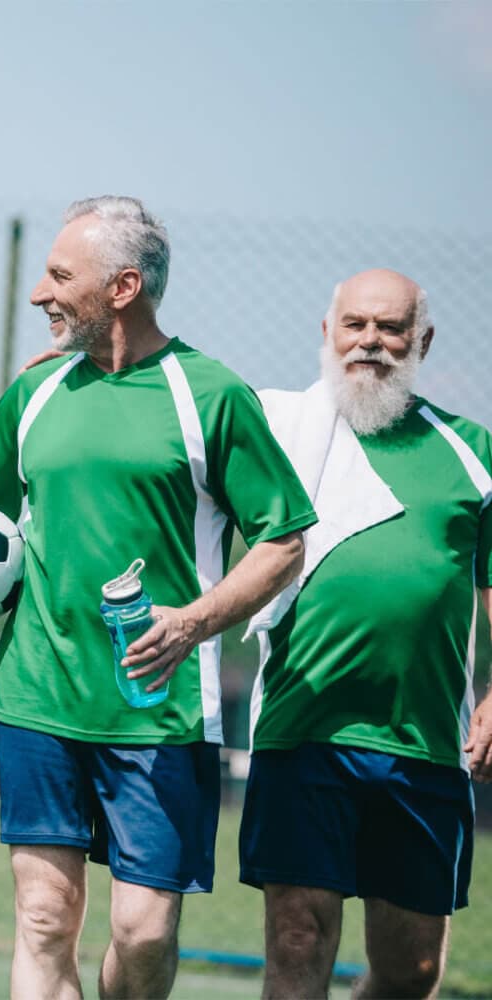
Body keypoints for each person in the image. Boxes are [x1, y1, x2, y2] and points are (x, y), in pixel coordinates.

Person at [0, 196, 317, 1000]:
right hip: (37, 695)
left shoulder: (210, 395)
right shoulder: (35, 392)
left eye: (58, 276)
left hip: (161, 709)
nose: (42, 294)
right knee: (44, 918)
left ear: (122, 286)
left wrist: (192, 622)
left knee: (142, 935)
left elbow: (284, 540)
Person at [240, 268, 492, 999]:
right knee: (297, 941)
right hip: (301, 731)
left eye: (390, 328)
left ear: (422, 340)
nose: (370, 343)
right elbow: (175, 412)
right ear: (328, 332)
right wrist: (89, 369)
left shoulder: (473, 452)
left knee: (411, 972)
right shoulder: (275, 428)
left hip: (422, 747)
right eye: (355, 325)